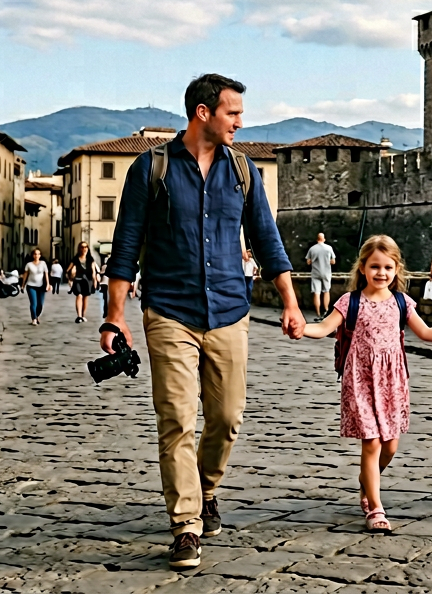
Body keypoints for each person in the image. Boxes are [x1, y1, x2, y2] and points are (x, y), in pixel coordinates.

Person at [100, 73, 306, 570]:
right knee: (176, 419)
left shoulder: (243, 171)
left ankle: (205, 489)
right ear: (202, 113)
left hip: (231, 311)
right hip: (169, 310)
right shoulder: (152, 169)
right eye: (232, 113)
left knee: (228, 418)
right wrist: (114, 317)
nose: (240, 122)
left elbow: (265, 236)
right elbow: (126, 244)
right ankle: (186, 524)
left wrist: (291, 302)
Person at [301, 235, 432, 533]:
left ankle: (366, 479)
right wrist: (301, 328)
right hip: (360, 379)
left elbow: (425, 332)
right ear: (362, 268)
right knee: (371, 443)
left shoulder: (402, 301)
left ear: (397, 269)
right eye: (375, 266)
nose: (381, 273)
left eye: (388, 267)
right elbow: (323, 328)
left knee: (390, 445)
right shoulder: (350, 301)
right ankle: (375, 506)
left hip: (392, 381)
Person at [306, 233, 336, 321]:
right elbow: (333, 261)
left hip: (315, 272)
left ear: (317, 239)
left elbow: (308, 262)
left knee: (316, 293)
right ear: (324, 239)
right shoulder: (329, 248)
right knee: (326, 291)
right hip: (326, 272)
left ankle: (318, 314)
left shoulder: (312, 249)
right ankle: (326, 311)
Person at [68, 242, 98, 323]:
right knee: (79, 295)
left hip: (88, 281)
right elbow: (68, 270)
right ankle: (79, 316)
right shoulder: (75, 259)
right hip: (77, 280)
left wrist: (95, 280)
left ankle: (83, 315)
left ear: (87, 249)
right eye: (82, 247)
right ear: (79, 248)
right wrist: (71, 276)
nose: (84, 249)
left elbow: (93, 271)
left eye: (86, 247)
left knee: (85, 298)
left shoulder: (90, 259)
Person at [23, 248, 50, 326]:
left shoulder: (43, 263)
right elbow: (25, 275)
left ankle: (37, 315)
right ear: (33, 255)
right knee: (33, 303)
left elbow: (46, 274)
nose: (37, 255)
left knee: (40, 304)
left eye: (38, 254)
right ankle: (34, 319)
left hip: (41, 286)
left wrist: (48, 284)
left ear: (40, 255)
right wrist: (23, 285)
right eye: (35, 254)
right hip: (31, 286)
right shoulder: (29, 264)